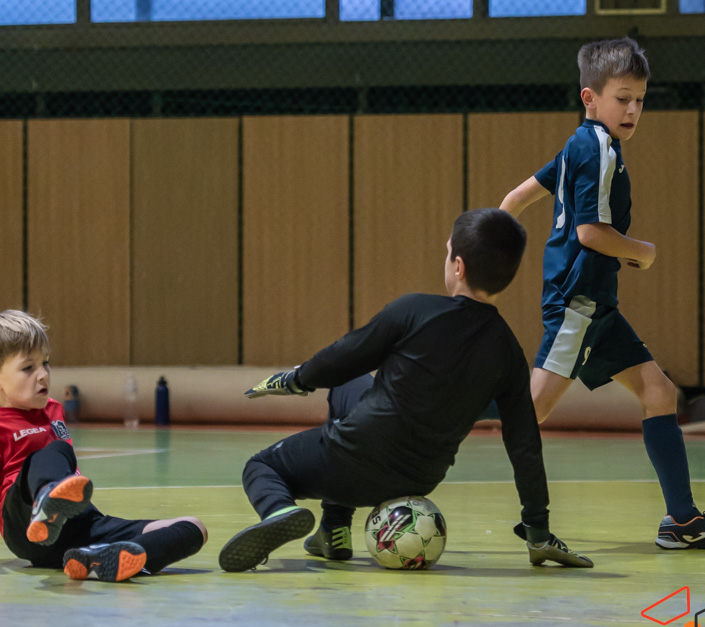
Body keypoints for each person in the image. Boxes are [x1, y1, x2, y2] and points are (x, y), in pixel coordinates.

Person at [218, 207, 592, 572]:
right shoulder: (508, 352)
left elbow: (344, 356)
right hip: (419, 478)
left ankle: (279, 510)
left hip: (353, 456)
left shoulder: (415, 310)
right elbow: (525, 446)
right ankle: (333, 530)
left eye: (448, 252)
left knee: (262, 466)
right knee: (349, 386)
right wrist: (538, 531)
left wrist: (297, 380)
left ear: (458, 267)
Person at [499, 37, 705, 550]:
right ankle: (418, 428)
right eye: (622, 98)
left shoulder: (579, 144)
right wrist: (642, 251)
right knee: (528, 411)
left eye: (640, 100)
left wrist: (490, 237)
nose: (633, 110)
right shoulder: (598, 150)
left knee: (659, 392)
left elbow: (515, 200)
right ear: (590, 98)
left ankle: (682, 521)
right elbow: (590, 233)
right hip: (579, 303)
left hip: (597, 305)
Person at [0, 310, 208, 581]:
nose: (43, 374)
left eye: (45, 363)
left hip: (80, 524)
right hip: (25, 524)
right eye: (28, 368)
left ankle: (97, 558)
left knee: (193, 528)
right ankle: (46, 505)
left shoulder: (53, 410)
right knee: (57, 450)